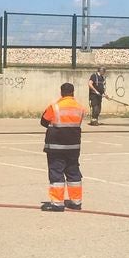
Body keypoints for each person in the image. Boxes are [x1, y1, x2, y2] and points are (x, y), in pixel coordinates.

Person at [40, 83, 85, 212]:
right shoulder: (80, 108)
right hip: (74, 147)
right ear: (73, 92)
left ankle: (57, 203)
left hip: (56, 147)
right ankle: (76, 202)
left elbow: (43, 121)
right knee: (73, 172)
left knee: (56, 172)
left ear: (61, 92)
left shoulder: (55, 107)